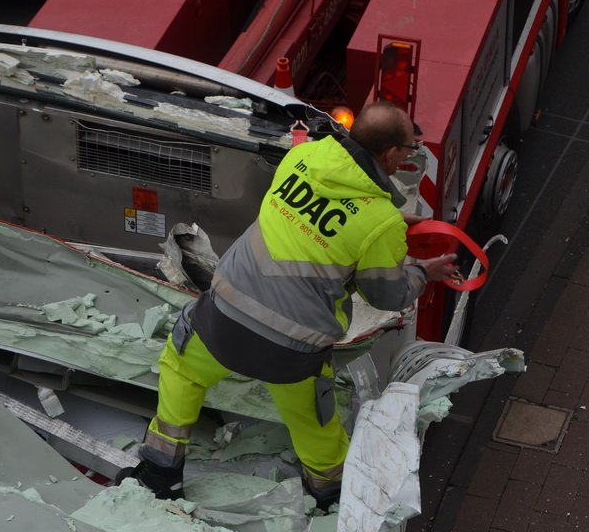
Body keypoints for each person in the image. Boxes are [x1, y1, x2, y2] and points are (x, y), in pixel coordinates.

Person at [117, 101, 458, 509]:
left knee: (179, 368)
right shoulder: (380, 222)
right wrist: (422, 272)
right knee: (315, 425)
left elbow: (316, 222)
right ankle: (330, 496)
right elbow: (384, 295)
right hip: (290, 352)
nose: (409, 155)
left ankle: (159, 472)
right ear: (390, 155)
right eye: (408, 149)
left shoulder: (302, 156)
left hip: (221, 319)